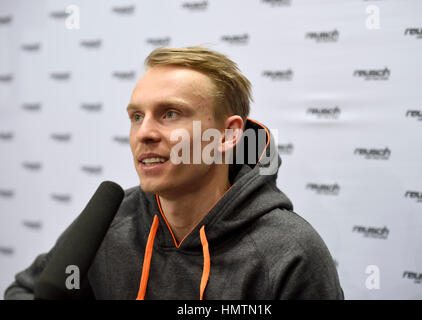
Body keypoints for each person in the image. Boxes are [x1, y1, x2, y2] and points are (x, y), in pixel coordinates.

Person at [4, 46, 344, 300]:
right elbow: (25, 291)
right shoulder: (109, 222)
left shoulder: (289, 251)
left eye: (170, 114)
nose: (144, 133)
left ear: (227, 135)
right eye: (137, 116)